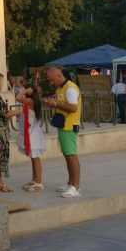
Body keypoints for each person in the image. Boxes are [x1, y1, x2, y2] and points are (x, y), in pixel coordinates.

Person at [44, 66, 82, 198]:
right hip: (63, 125)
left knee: (71, 155)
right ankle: (70, 183)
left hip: (69, 126)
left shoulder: (70, 88)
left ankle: (75, 187)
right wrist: (51, 103)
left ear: (59, 76)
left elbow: (73, 108)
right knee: (67, 155)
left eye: (52, 80)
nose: (51, 83)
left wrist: (55, 104)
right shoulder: (60, 88)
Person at [16, 84, 46, 191]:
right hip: (31, 132)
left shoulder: (30, 101)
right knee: (33, 158)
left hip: (32, 134)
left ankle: (39, 183)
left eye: (25, 89)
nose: (23, 90)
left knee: (35, 158)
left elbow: (18, 97)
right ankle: (34, 180)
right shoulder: (32, 101)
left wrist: (25, 91)